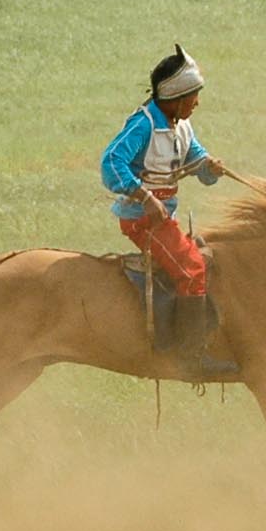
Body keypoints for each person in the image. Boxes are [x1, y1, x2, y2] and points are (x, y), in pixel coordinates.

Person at [100, 45, 230, 364]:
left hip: (163, 218)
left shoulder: (181, 127)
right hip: (143, 220)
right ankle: (190, 356)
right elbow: (111, 162)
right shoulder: (143, 125)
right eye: (194, 95)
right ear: (177, 96)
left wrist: (209, 168)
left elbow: (196, 159)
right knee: (193, 269)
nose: (197, 102)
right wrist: (144, 198)